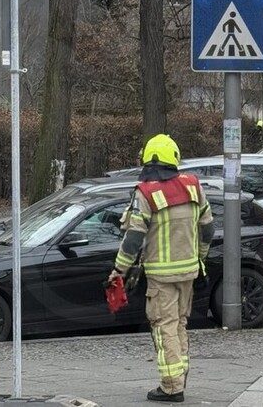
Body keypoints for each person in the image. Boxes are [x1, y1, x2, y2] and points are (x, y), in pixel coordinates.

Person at [110, 134, 215, 402]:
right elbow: (208, 228)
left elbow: (133, 238)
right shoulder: (193, 186)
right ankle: (180, 376)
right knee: (180, 324)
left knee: (164, 326)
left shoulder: (146, 192)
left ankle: (171, 386)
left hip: (161, 275)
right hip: (189, 271)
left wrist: (118, 271)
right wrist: (201, 258)